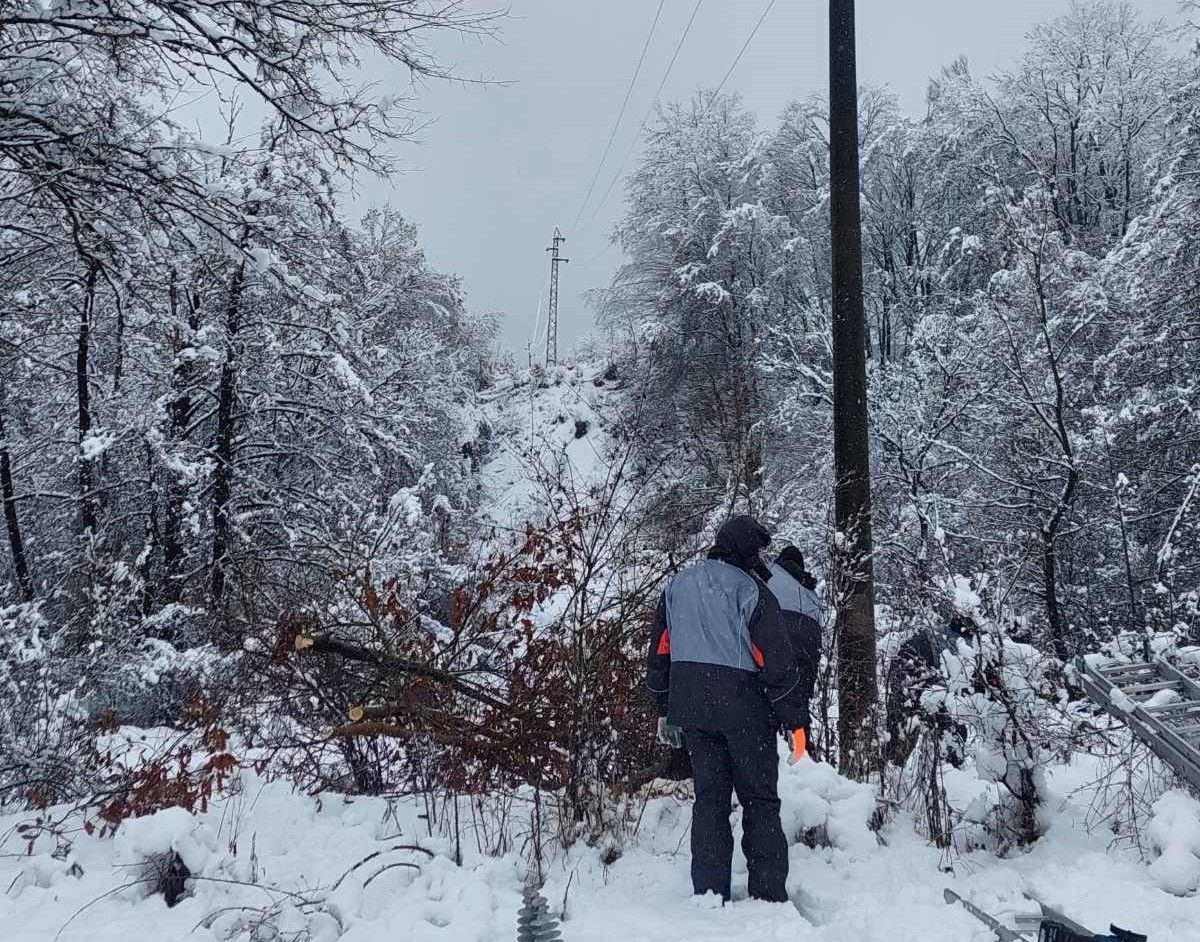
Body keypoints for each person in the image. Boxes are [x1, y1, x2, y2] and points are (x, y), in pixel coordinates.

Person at [645, 515, 810, 904]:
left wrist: (663, 706)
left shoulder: (677, 586)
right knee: (761, 802)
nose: (761, 558)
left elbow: (660, 653)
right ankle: (768, 895)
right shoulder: (752, 592)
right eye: (758, 550)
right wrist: (795, 722)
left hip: (693, 714)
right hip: (745, 714)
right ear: (747, 549)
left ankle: (708, 892)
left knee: (710, 801)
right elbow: (776, 663)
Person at [884, 613, 977, 767]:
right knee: (943, 723)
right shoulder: (964, 645)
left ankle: (892, 765)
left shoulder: (948, 634)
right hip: (914, 668)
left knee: (905, 726)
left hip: (910, 665)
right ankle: (951, 771)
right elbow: (958, 686)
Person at [765, 546, 822, 760]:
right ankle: (800, 752)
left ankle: (771, 754)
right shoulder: (811, 591)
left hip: (779, 645)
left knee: (770, 703)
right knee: (798, 706)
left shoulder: (769, 575)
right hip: (807, 653)